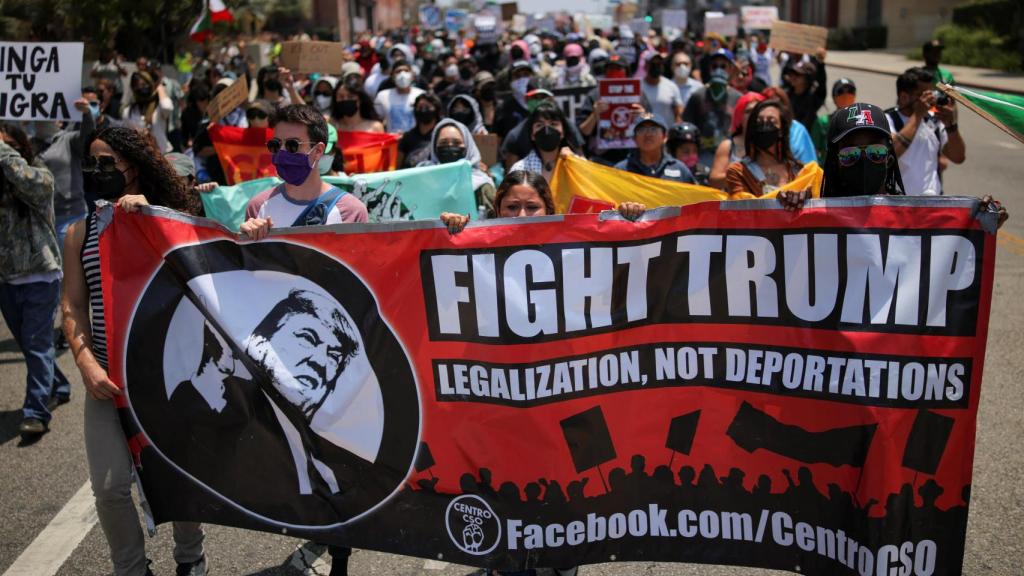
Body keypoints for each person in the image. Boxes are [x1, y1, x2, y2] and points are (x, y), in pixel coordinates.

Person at [62, 126, 207, 575]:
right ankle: (130, 568)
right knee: (109, 488)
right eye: (92, 161)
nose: (97, 170)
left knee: (176, 476)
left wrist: (154, 219)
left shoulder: (168, 220)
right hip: (107, 378)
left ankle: (190, 558)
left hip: (166, 373)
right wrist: (85, 362)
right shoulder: (78, 233)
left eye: (108, 162)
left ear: (134, 167)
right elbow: (72, 303)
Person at [238, 104, 369, 576]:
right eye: (275, 145)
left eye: (292, 145)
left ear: (318, 150)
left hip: (322, 357)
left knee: (330, 457)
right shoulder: (259, 208)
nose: (282, 153)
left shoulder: (347, 209)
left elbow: (358, 282)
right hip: (278, 354)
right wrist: (247, 243)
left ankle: (339, 554)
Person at [779, 102, 1007, 230]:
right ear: (834, 162)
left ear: (889, 159)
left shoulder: (913, 218)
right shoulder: (814, 211)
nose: (864, 161)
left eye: (875, 152)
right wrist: (787, 212)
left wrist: (978, 228)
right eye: (849, 154)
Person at [0, 123, 71, 436]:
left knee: (37, 343)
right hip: (7, 279)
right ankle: (59, 385)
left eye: (9, 145)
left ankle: (36, 413)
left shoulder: (39, 174)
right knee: (32, 347)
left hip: (41, 276)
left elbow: (25, 179)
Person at [885, 67, 965, 196]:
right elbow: (891, 154)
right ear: (904, 97)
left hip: (932, 205)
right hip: (900, 206)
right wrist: (917, 115)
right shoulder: (887, 120)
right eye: (922, 95)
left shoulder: (934, 121)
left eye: (930, 94)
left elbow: (958, 157)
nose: (929, 100)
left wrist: (951, 126)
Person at [39, 97, 95, 249]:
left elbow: (88, 136)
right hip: (41, 221)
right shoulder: (28, 143)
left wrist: (86, 113)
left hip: (70, 217)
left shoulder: (68, 139)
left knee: (69, 269)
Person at [725, 99, 803, 198]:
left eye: (771, 121)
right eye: (759, 121)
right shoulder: (738, 172)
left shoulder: (798, 171)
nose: (765, 125)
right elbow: (742, 206)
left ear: (781, 131)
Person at [418, 118, 496, 215]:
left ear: (468, 146)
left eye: (456, 143)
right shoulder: (422, 180)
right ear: (434, 147)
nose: (450, 146)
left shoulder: (482, 184)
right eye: (444, 143)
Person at [682, 48, 741, 167]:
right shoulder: (698, 95)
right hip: (703, 156)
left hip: (730, 156)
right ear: (710, 68)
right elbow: (687, 124)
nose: (719, 69)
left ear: (730, 69)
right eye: (715, 66)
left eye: (723, 66)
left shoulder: (738, 98)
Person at [614, 114, 695, 184]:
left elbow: (693, 198)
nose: (648, 134)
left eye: (653, 129)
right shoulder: (621, 170)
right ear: (634, 138)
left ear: (664, 136)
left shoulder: (679, 169)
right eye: (642, 130)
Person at [509, 101, 578, 183]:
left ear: (563, 132)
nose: (546, 130)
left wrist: (574, 162)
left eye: (553, 124)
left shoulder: (577, 165)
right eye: (539, 125)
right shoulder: (520, 169)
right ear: (532, 135)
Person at [710, 91, 765, 189]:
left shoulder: (773, 144)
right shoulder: (727, 146)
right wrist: (742, 175)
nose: (753, 115)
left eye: (757, 110)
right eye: (748, 111)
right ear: (740, 116)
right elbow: (714, 181)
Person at [123, 70, 174, 153]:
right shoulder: (129, 112)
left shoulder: (159, 107)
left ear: (150, 84)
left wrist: (160, 88)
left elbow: (167, 107)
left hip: (163, 154)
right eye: (137, 86)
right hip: (142, 156)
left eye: (144, 84)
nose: (140, 88)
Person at [812, 78, 857, 164]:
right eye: (841, 92)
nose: (846, 95)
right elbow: (814, 152)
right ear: (834, 97)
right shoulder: (822, 122)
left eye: (850, 91)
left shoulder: (860, 123)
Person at [373, 61, 425, 133]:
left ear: (412, 75)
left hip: (415, 141)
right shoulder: (382, 96)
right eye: (398, 71)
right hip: (392, 141)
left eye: (406, 71)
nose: (402, 74)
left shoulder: (421, 95)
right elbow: (376, 120)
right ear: (392, 76)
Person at [397, 93, 443, 168]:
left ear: (436, 110)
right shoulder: (408, 137)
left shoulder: (442, 134)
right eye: (420, 107)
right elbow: (398, 165)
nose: (423, 110)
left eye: (427, 107)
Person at [782, 55, 827, 131]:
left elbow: (822, 84)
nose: (793, 77)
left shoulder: (813, 98)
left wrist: (820, 63)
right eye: (792, 73)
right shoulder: (786, 95)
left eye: (798, 74)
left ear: (807, 78)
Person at [639, 51, 684, 125]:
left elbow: (679, 111)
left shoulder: (671, 86)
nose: (656, 67)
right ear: (645, 66)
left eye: (659, 64)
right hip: (644, 132)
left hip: (666, 133)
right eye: (653, 64)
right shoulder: (638, 86)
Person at [494, 60, 534, 139]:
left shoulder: (541, 101)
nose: (522, 79)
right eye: (517, 76)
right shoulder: (503, 107)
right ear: (510, 80)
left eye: (526, 75)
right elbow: (498, 136)